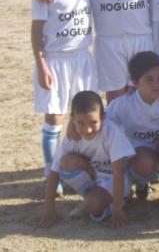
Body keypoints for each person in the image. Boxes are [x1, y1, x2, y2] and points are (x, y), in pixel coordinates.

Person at [31, 0, 97, 196]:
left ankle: (82, 166)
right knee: (55, 118)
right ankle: (52, 174)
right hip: (55, 61)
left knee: (85, 116)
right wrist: (41, 65)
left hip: (82, 58)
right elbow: (36, 30)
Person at [40, 90, 136, 227]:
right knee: (66, 162)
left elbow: (118, 173)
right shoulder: (72, 136)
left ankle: (119, 199)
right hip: (94, 177)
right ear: (72, 119)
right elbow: (54, 171)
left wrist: (117, 210)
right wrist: (49, 209)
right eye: (81, 123)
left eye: (93, 123)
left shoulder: (111, 132)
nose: (87, 130)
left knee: (93, 206)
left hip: (113, 180)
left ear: (103, 117)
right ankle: (93, 197)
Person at [105, 51, 159, 215]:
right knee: (144, 162)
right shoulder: (123, 104)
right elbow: (102, 123)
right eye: (149, 79)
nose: (157, 84)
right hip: (141, 154)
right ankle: (139, 182)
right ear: (134, 82)